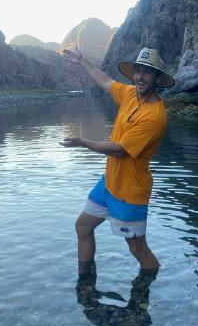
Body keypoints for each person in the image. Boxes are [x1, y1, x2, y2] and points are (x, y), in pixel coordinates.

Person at [61, 46, 174, 278]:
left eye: (147, 72)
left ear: (157, 78)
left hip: (130, 191)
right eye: (138, 70)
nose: (140, 77)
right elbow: (106, 81)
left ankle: (148, 285)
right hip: (109, 183)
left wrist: (84, 142)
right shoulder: (130, 94)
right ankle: (85, 281)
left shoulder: (154, 117)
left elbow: (120, 150)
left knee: (137, 248)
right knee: (82, 226)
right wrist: (82, 61)